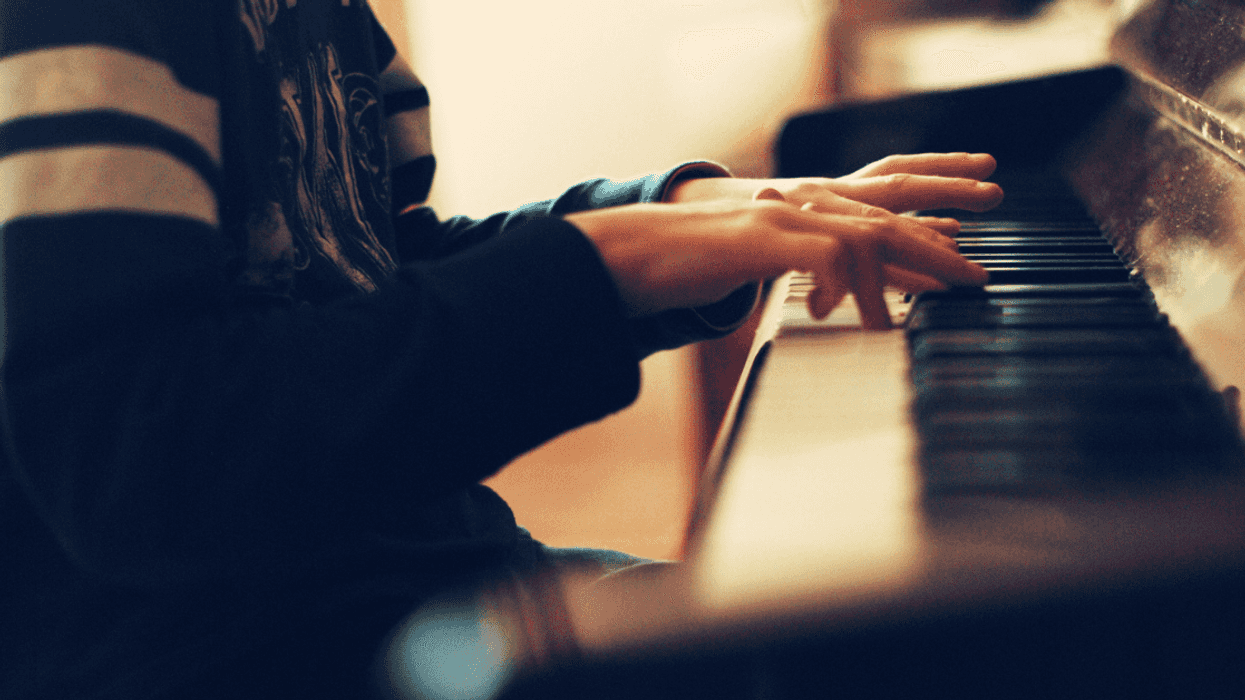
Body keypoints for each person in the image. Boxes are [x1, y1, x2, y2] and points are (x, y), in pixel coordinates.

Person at [0, 1, 1000, 698]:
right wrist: (602, 264)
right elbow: (138, 451)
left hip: (405, 592)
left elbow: (359, 270)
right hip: (239, 658)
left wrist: (671, 216)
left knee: (928, 634)